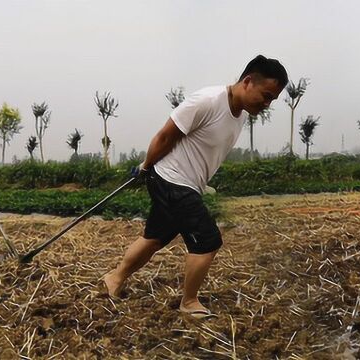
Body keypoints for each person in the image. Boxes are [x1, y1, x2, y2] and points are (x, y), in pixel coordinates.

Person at [104, 55, 288, 319]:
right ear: (248, 81)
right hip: (173, 180)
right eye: (266, 95)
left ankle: (115, 277)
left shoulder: (240, 116)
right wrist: (146, 167)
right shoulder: (208, 101)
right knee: (208, 240)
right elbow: (166, 135)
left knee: (155, 237)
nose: (267, 103)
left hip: (184, 183)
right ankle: (189, 302)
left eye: (273, 99)